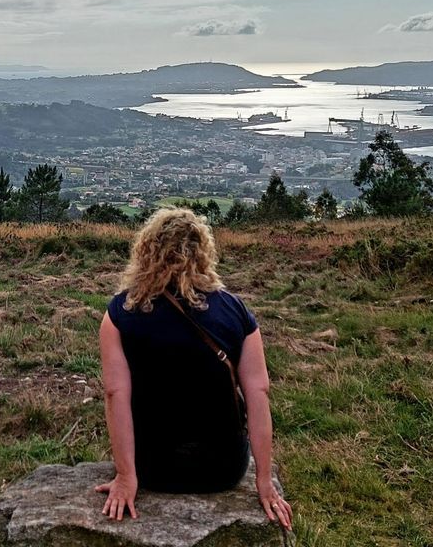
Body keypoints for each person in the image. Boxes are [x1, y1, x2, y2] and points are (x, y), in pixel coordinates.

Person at [95, 208, 292, 529]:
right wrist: (265, 482)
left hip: (152, 468)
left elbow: (115, 393)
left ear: (146, 251)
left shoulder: (120, 312)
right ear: (204, 253)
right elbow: (259, 393)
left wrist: (126, 477)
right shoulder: (236, 311)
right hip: (224, 469)